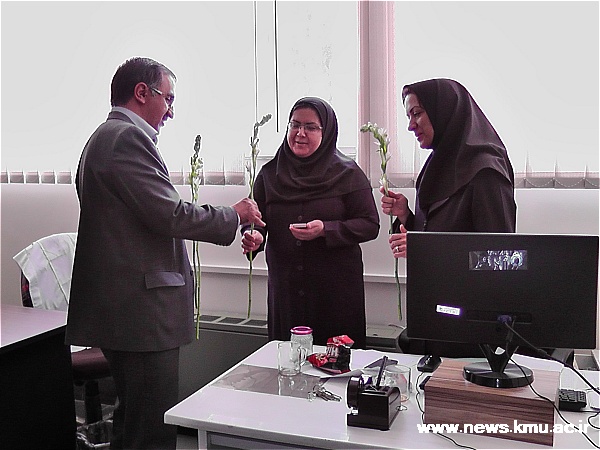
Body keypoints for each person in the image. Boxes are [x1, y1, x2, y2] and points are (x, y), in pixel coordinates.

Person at [65, 57, 264, 450]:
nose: (171, 111)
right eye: (168, 98)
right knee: (151, 430)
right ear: (142, 92)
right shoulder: (126, 138)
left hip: (125, 308)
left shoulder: (102, 138)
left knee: (133, 422)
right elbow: (170, 215)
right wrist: (234, 215)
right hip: (139, 311)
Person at [381, 78, 516, 357]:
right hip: (434, 313)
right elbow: (439, 230)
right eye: (408, 116)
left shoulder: (486, 173)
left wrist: (424, 249)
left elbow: (499, 257)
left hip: (467, 327)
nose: (410, 125)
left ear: (444, 111)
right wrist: (407, 216)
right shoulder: (438, 164)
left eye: (417, 113)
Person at [241, 97, 380, 349]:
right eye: (294, 125)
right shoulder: (269, 174)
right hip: (287, 290)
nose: (300, 133)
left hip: (335, 293)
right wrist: (256, 237)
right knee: (288, 358)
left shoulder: (348, 173)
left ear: (326, 132)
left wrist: (326, 229)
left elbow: (370, 224)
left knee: (336, 362)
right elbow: (256, 219)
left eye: (310, 127)